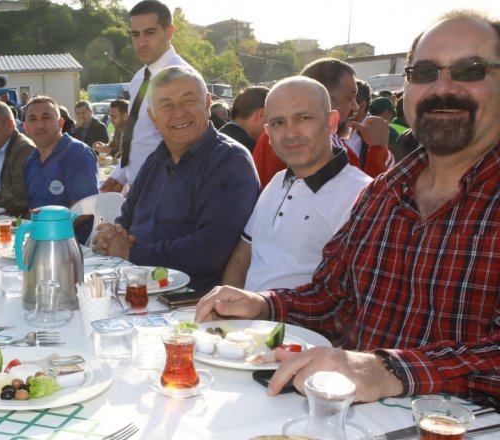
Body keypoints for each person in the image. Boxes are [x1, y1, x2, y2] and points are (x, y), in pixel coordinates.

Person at [195, 11, 500, 406]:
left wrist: (384, 370)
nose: (443, 87)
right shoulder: (383, 193)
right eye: (424, 72)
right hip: (350, 419)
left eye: (470, 70)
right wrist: (264, 304)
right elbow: (332, 299)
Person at [93, 65, 259, 291]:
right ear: (153, 117)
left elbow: (209, 251)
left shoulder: (230, 161)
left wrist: (130, 253)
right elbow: (127, 218)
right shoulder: (155, 159)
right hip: (139, 287)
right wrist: (113, 234)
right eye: (166, 105)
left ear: (207, 104)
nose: (179, 113)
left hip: (190, 300)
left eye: (188, 101)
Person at [220, 76, 372, 292]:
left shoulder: (364, 197)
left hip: (293, 315)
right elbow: (243, 255)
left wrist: (263, 307)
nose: (290, 133)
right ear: (268, 134)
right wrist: (225, 305)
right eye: (278, 123)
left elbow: (354, 297)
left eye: (303, 118)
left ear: (331, 122)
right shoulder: (277, 182)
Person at [251, 58, 394, 185]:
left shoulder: (270, 137)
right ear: (327, 99)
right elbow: (370, 200)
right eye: (350, 98)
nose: (355, 107)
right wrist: (378, 148)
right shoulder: (327, 146)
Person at [101, 0, 192, 192]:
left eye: (150, 33)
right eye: (135, 34)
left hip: (167, 189)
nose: (141, 42)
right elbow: (139, 135)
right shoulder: (139, 78)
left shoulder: (183, 77)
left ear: (169, 32)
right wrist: (121, 173)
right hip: (138, 188)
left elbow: (190, 143)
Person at [23, 95, 99, 210]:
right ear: (25, 127)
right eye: (33, 119)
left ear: (60, 124)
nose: (40, 125)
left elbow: (85, 207)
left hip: (68, 223)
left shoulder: (77, 153)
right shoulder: (32, 160)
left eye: (46, 117)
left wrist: (47, 222)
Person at [218, 86, 269, 152]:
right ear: (261, 115)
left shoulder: (214, 140)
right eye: (272, 119)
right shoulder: (252, 149)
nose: (271, 126)